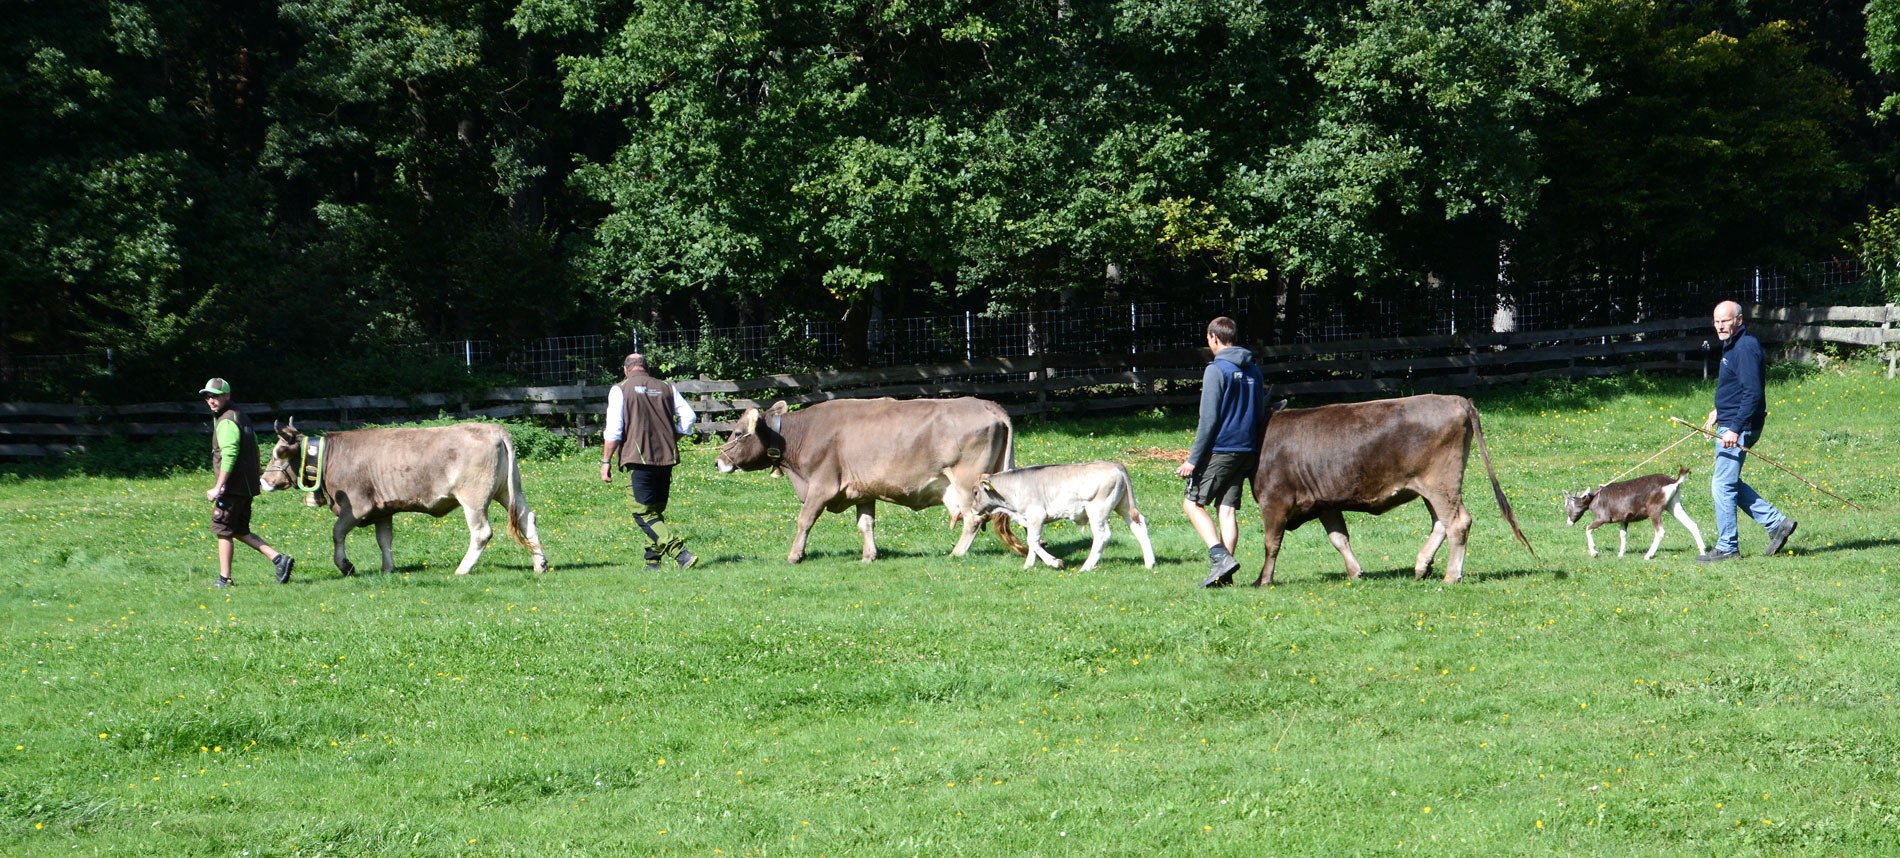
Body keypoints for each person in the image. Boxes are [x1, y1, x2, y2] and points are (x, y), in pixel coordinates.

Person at [1696, 300, 1797, 562]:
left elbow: (1753, 393)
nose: (1720, 326)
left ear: (1739, 320)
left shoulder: (1745, 348)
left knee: (1721, 485)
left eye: (1725, 321)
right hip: (1731, 422)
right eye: (1716, 321)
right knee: (1728, 483)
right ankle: (1776, 524)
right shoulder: (1733, 346)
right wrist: (1720, 410)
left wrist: (1735, 428)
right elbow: (1738, 388)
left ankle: (1727, 547)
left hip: (1739, 428)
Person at [1181, 317, 1269, 587]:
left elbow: (1208, 421)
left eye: (1208, 338)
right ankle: (1223, 576)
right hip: (1247, 449)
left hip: (1221, 449)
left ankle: (1219, 557)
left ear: (1214, 338)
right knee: (1226, 509)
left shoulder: (1216, 370)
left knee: (1192, 503)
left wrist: (1192, 460)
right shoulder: (1253, 369)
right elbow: (1258, 412)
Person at [600, 353, 700, 570]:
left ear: (626, 370)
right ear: (646, 369)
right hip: (666, 458)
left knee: (642, 513)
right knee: (654, 511)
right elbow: (689, 417)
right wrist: (674, 436)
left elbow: (614, 429)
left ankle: (680, 554)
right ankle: (652, 562)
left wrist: (606, 460)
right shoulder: (666, 386)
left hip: (637, 459)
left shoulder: (620, 389)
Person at [200, 378, 294, 586]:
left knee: (222, 529)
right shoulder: (241, 416)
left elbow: (230, 454)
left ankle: (225, 579)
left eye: (215, 396)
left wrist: (218, 486)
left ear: (227, 396)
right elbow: (255, 445)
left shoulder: (226, 420)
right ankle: (279, 559)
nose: (211, 400)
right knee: (240, 529)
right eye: (208, 397)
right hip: (247, 484)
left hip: (232, 486)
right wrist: (257, 469)